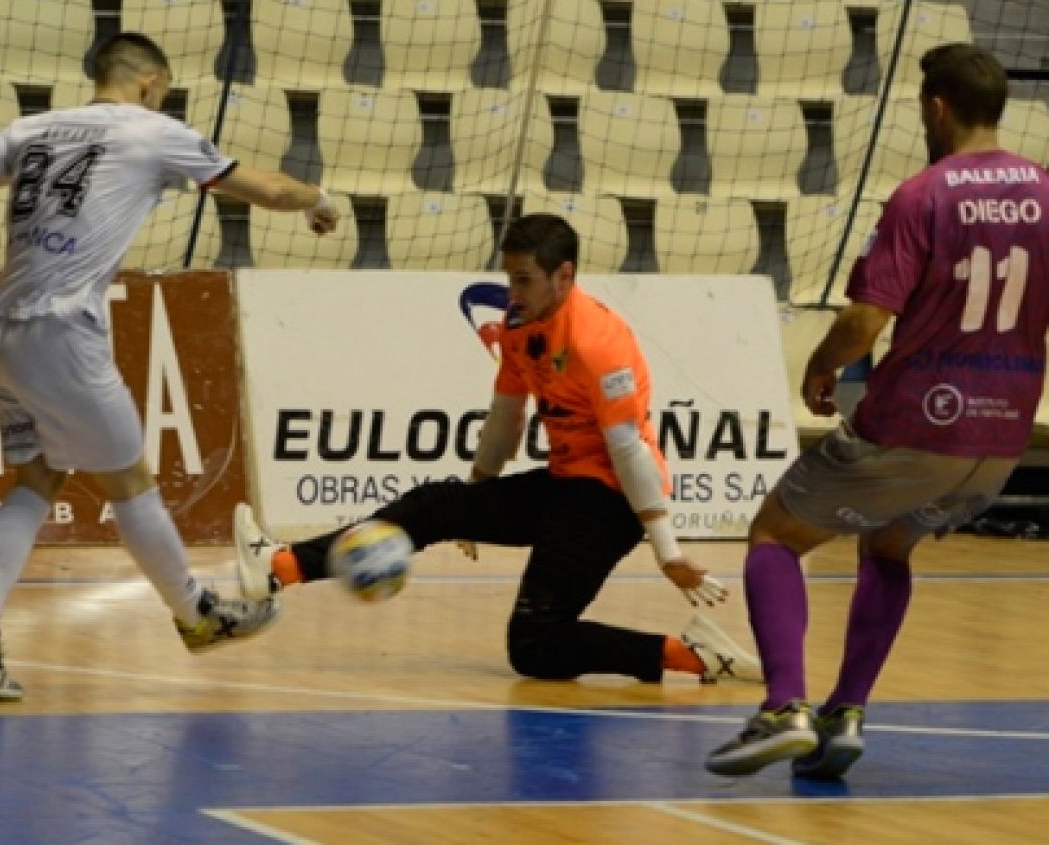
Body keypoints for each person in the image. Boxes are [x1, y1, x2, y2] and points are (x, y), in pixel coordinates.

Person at [0, 32, 341, 701]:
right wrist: (319, 198)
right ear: (149, 84)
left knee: (38, 475)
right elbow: (269, 189)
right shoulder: (152, 130)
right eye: (163, 93)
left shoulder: (33, 129)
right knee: (130, 481)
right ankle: (197, 615)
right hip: (61, 334)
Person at [706, 43, 1049, 778]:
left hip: (916, 420)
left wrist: (821, 366)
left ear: (937, 108)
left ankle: (783, 708)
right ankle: (845, 714)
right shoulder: (1046, 194)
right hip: (1000, 436)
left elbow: (865, 321)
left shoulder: (923, 194)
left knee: (775, 533)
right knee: (889, 546)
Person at [235, 213, 764, 686]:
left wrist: (667, 551)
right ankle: (281, 566)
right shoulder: (518, 325)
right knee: (437, 506)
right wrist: (477, 498)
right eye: (510, 278)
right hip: (566, 483)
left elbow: (629, 449)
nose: (513, 292)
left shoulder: (596, 342)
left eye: (524, 280)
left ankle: (693, 655)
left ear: (564, 276)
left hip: (611, 502)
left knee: (535, 645)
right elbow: (506, 416)